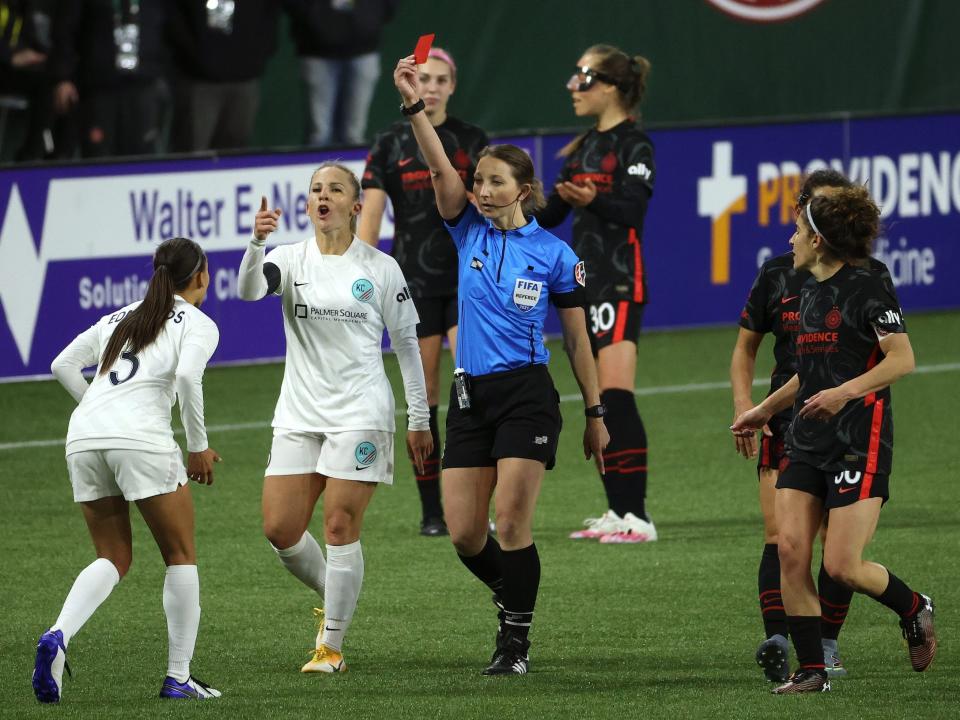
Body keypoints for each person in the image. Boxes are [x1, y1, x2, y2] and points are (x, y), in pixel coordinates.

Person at [394, 54, 609, 675]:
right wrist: (414, 104)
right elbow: (438, 165)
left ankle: (513, 642)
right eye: (478, 180)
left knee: (511, 522)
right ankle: (515, 593)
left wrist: (596, 413)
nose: (482, 190)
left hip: (526, 396)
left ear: (523, 189)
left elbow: (576, 342)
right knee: (465, 533)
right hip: (468, 397)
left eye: (494, 182)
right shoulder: (467, 231)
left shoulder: (555, 254)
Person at [732, 187, 937, 694]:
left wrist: (844, 394)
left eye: (799, 230)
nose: (790, 238)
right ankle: (812, 671)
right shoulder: (803, 291)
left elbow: (902, 359)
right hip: (805, 439)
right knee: (791, 551)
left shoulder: (869, 285)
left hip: (858, 441)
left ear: (819, 240)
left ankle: (914, 607)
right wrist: (762, 410)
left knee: (842, 566)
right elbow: (808, 373)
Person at [236, 162, 432, 673]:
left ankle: (332, 646)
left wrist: (420, 418)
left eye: (336, 190)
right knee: (279, 528)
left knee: (340, 524)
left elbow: (408, 346)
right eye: (316, 190)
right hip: (299, 414)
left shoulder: (380, 268)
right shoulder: (288, 258)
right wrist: (256, 244)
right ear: (307, 205)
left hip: (361, 412)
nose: (324, 197)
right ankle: (337, 590)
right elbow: (249, 291)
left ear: (356, 205)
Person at [38, 237, 221, 703]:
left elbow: (62, 364)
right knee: (180, 555)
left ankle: (58, 634)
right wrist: (197, 447)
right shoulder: (198, 323)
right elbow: (186, 377)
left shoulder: (118, 317)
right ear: (200, 277)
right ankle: (178, 677)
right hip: (141, 440)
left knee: (113, 556)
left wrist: (100, 412)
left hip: (83, 438)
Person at [359, 46, 489, 537]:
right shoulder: (391, 143)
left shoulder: (472, 139)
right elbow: (369, 221)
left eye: (440, 79)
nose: (431, 87)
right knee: (427, 397)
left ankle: (475, 499)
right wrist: (364, 280)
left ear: (452, 86)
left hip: (468, 280)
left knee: (473, 385)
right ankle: (433, 511)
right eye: (424, 78)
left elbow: (490, 202)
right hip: (411, 284)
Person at [536, 44, 656, 544]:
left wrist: (596, 197)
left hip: (622, 281)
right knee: (598, 400)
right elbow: (551, 220)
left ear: (608, 86)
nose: (573, 86)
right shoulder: (583, 147)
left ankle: (637, 518)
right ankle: (616, 511)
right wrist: (514, 206)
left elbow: (632, 210)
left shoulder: (635, 145)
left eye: (582, 77)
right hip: (585, 285)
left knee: (615, 395)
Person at [50, 0, 170, 158]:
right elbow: (64, 30)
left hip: (144, 84)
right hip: (99, 87)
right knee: (98, 157)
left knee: (141, 159)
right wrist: (63, 77)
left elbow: (167, 29)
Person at [167, 0, 280, 153]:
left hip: (244, 77)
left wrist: (255, 58)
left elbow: (270, 14)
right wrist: (196, 58)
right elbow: (173, 16)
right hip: (198, 80)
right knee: (191, 150)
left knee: (235, 153)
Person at [282, 0, 396, 147]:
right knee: (319, 135)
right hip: (316, 50)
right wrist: (314, 19)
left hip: (365, 48)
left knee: (353, 135)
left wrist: (370, 17)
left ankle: (348, 170)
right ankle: (318, 170)